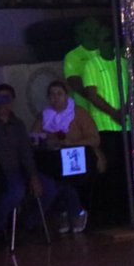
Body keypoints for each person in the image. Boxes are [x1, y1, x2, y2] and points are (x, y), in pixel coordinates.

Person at [0, 83, 78, 243]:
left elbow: (25, 152)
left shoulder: (18, 124)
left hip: (18, 171)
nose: (3, 103)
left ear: (12, 101)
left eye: (7, 98)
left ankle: (28, 223)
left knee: (49, 187)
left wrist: (33, 175)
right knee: (16, 191)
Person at [64, 17, 129, 224]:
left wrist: (124, 110)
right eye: (91, 31)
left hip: (123, 123)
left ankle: (126, 211)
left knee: (124, 169)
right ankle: (100, 213)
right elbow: (84, 89)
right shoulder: (81, 60)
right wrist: (112, 112)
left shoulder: (122, 61)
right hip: (95, 122)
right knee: (102, 168)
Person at [32, 80, 100, 233]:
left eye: (59, 94)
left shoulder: (79, 113)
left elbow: (94, 139)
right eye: (52, 95)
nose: (55, 98)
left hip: (78, 158)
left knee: (68, 179)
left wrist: (73, 143)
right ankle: (65, 210)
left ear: (66, 95)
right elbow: (34, 137)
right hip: (54, 159)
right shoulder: (44, 116)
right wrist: (46, 141)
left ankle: (76, 211)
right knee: (51, 177)